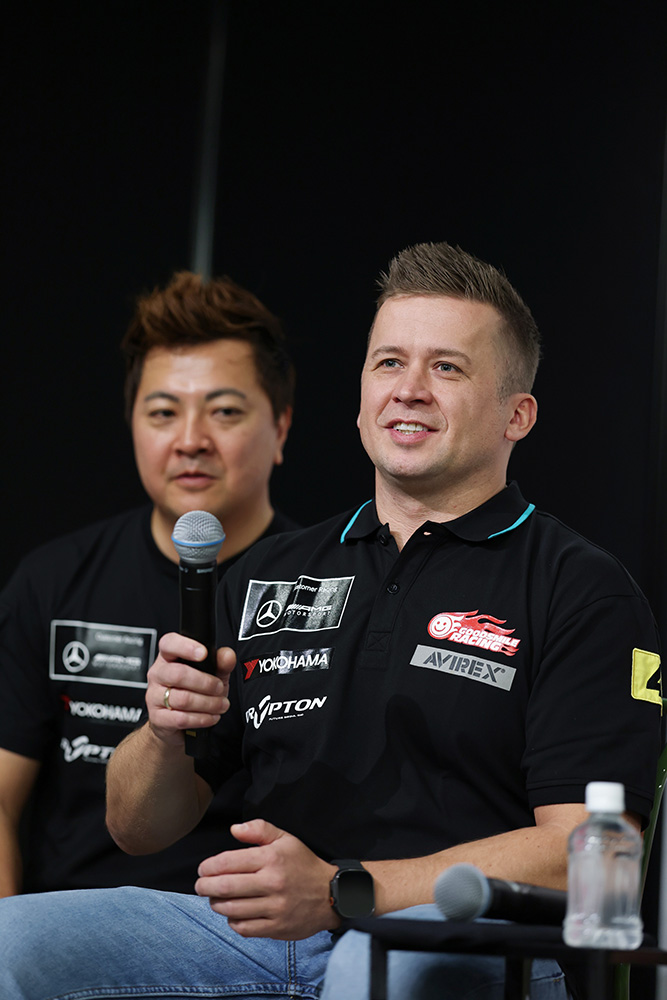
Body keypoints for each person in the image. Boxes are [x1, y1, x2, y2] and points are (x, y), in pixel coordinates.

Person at [0, 242, 661, 1000]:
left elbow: (589, 856)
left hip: (470, 938)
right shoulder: (269, 571)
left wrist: (349, 889)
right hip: (260, 945)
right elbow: (137, 828)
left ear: (517, 415)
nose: (408, 390)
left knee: (366, 968)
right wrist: (162, 731)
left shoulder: (580, 588)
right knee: (11, 943)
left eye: (446, 368)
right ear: (359, 398)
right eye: (388, 363)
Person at [0, 270, 295, 898]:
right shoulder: (52, 582)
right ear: (132, 423)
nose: (191, 441)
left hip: (255, 935)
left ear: (281, 427)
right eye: (163, 412)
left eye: (225, 411)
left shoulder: (329, 588)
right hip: (72, 927)